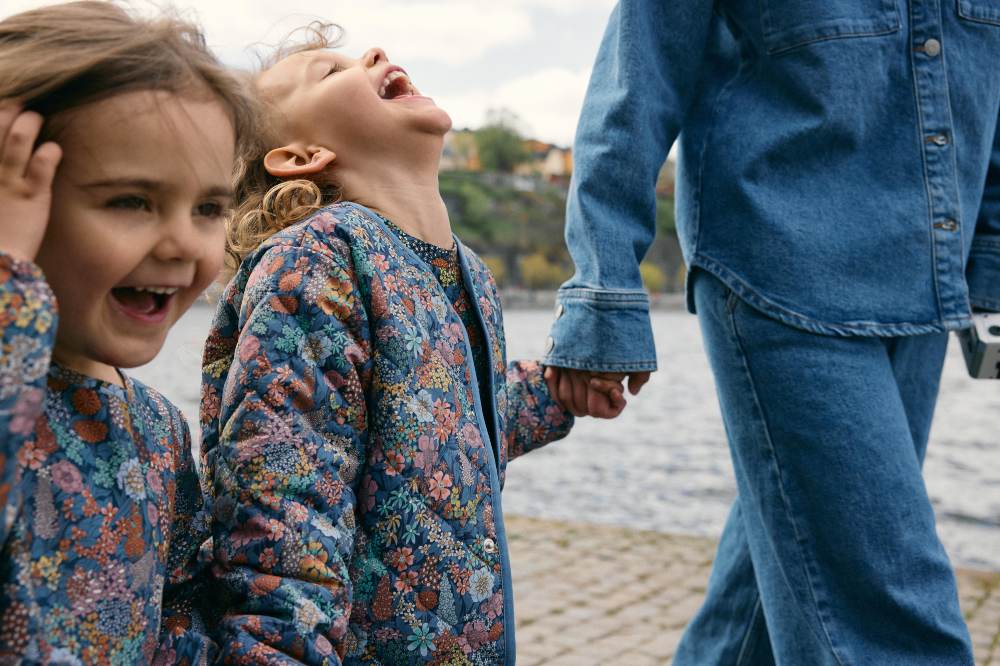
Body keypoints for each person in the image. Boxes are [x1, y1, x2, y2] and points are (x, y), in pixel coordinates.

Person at [545, 1, 999, 664]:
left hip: (926, 284)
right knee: (890, 622)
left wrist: (989, 267)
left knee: (766, 601)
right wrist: (603, 291)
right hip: (782, 269)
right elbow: (635, 84)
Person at [197, 24, 617, 665]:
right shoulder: (316, 260)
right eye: (331, 73)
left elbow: (447, 427)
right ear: (301, 155)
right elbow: (283, 508)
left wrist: (560, 389)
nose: (374, 53)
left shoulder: (466, 273)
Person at [0, 2, 256, 661]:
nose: (181, 243)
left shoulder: (160, 432)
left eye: (207, 208)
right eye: (130, 201)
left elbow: (179, 600)